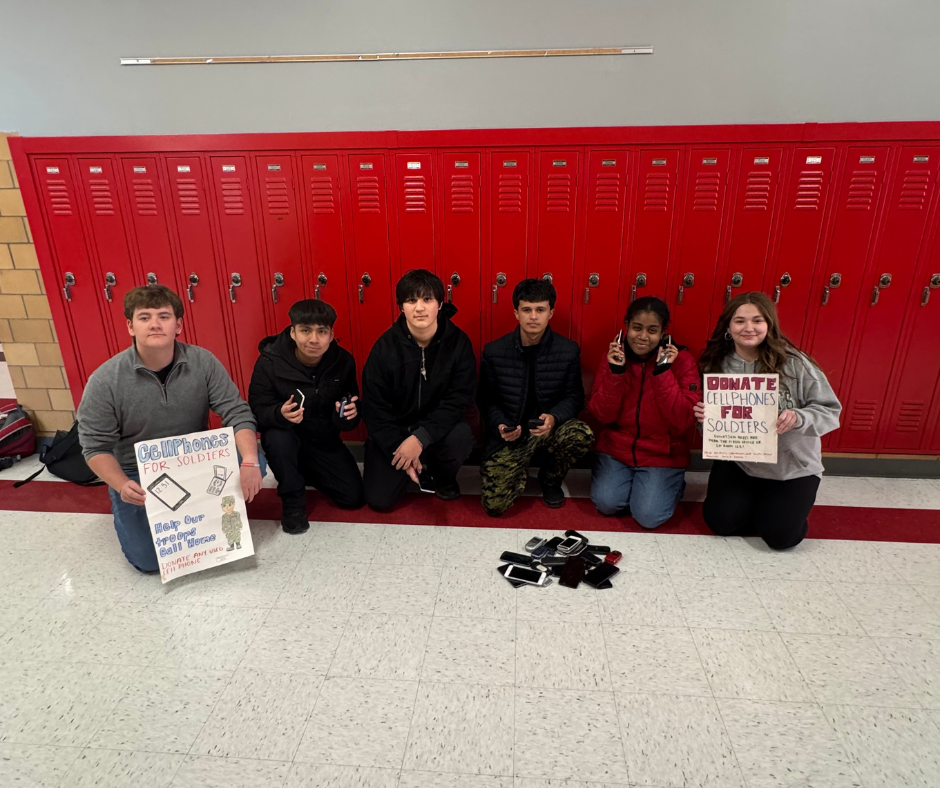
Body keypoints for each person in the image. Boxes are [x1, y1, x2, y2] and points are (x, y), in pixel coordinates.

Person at [78, 285, 263, 573]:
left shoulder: (203, 362)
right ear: (130, 326)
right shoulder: (105, 380)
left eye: (164, 316)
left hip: (196, 462)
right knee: (149, 562)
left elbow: (236, 413)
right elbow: (94, 447)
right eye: (144, 317)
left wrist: (250, 461)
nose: (154, 324)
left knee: (254, 460)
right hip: (136, 471)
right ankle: (137, 510)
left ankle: (208, 512)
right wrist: (120, 485)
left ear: (178, 325)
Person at [694, 291, 841, 550]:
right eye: (739, 321)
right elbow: (713, 428)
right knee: (721, 523)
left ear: (769, 325)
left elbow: (830, 411)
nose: (748, 328)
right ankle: (758, 503)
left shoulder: (795, 364)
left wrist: (799, 417)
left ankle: (777, 508)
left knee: (781, 538)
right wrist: (704, 419)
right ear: (728, 326)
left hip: (791, 469)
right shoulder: (716, 365)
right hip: (741, 464)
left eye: (757, 320)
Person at [361, 269, 475, 511]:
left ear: (440, 304)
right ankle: (410, 466)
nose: (420, 308)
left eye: (427, 299)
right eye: (411, 300)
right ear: (401, 307)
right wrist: (402, 448)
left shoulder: (459, 343)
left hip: (437, 431)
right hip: (396, 434)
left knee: (461, 436)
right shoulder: (384, 349)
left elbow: (458, 401)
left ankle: (443, 476)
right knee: (379, 501)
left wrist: (421, 438)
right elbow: (374, 409)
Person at [248, 299, 364, 534]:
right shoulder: (269, 363)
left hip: (323, 440)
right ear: (293, 332)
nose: (313, 339)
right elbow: (257, 412)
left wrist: (350, 414)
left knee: (353, 498)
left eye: (321, 331)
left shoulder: (343, 362)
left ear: (331, 335)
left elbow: (347, 417)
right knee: (278, 439)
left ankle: (303, 470)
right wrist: (279, 414)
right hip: (286, 438)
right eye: (305, 330)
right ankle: (293, 501)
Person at [478, 278, 592, 514]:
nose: (533, 316)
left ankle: (550, 479)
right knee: (495, 506)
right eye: (526, 310)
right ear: (516, 313)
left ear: (551, 313)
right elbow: (486, 399)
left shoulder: (568, 350)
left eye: (540, 310)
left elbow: (574, 395)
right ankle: (517, 470)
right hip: (511, 435)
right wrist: (500, 425)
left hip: (549, 432)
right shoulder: (494, 351)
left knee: (581, 434)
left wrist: (554, 418)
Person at [588, 296, 699, 528]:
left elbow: (684, 420)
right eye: (637, 328)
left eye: (652, 330)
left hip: (662, 454)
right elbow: (601, 414)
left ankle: (668, 485)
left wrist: (662, 373)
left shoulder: (683, 361)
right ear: (626, 326)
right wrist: (615, 373)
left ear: (663, 333)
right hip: (618, 449)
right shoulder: (614, 358)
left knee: (649, 517)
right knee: (606, 503)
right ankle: (637, 485)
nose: (643, 336)